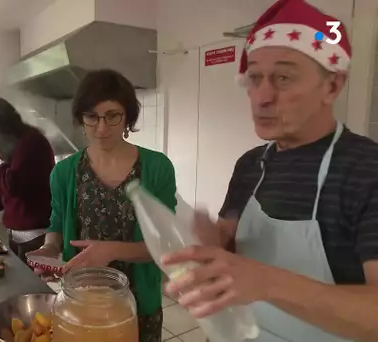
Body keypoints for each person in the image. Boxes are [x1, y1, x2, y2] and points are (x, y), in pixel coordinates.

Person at [162, 1, 378, 341]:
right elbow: (230, 245)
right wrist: (208, 246)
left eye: (283, 78)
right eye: (254, 78)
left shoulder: (367, 171)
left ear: (332, 86)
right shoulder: (251, 165)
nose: (261, 97)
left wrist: (267, 281)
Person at [27, 69, 177, 342]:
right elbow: (58, 222)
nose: (102, 128)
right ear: (81, 118)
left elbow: (165, 245)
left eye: (112, 116)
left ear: (128, 117)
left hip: (137, 303)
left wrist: (111, 251)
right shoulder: (64, 172)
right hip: (81, 301)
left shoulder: (157, 168)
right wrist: (49, 248)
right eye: (92, 117)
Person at [0, 98, 55, 261]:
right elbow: (8, 192)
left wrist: (1, 160)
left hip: (34, 235)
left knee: (32, 285)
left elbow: (12, 186)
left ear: (1, 126)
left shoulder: (31, 144)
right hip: (20, 234)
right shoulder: (17, 144)